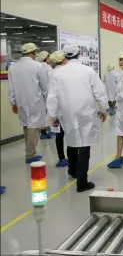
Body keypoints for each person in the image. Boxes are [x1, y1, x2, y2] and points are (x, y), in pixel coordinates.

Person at [47, 45, 108, 192]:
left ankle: (73, 171)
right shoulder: (88, 71)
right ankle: (82, 182)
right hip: (85, 112)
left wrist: (53, 115)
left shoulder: (56, 73)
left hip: (67, 112)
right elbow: (99, 92)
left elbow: (52, 96)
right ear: (79, 54)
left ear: (64, 56)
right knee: (84, 144)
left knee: (72, 141)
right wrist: (103, 109)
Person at [8, 43, 49, 164]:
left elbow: (11, 88)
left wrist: (13, 102)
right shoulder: (37, 66)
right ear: (33, 52)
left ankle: (29, 151)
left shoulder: (13, 67)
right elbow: (45, 87)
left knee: (26, 125)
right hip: (35, 101)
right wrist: (48, 102)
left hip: (21, 101)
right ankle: (31, 154)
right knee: (33, 126)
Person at [48, 50, 69, 167]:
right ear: (63, 60)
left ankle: (61, 158)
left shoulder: (52, 73)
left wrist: (53, 114)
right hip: (67, 108)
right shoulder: (65, 72)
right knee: (71, 135)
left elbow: (51, 96)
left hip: (57, 109)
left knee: (59, 135)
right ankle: (72, 158)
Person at [37, 51, 54, 139]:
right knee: (51, 112)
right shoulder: (48, 68)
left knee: (42, 114)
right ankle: (52, 131)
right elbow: (50, 83)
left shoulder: (37, 66)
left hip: (38, 95)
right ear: (46, 58)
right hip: (48, 93)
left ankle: (43, 132)